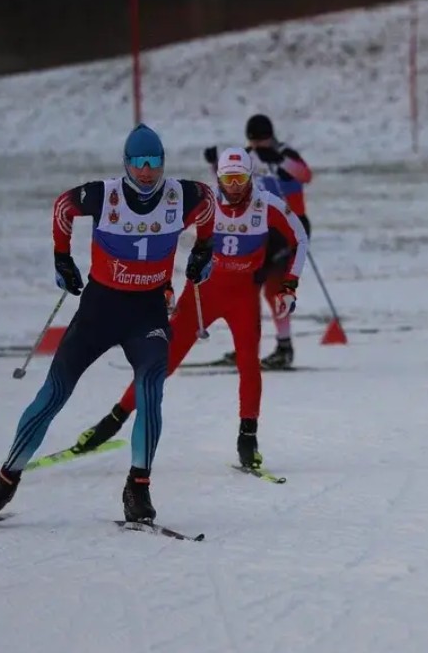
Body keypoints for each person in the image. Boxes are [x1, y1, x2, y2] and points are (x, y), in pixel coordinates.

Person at [0, 123, 215, 525]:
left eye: (154, 163)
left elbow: (208, 202)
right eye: (139, 164)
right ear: (127, 164)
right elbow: (64, 206)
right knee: (53, 393)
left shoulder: (181, 194)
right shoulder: (106, 194)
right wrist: (61, 257)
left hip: (148, 311)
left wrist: (206, 249)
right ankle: (4, 481)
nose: (147, 172)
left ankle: (138, 487)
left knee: (151, 390)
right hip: (100, 308)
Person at [72, 147, 308, 469]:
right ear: (219, 178)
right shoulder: (203, 202)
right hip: (201, 295)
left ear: (250, 177)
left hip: (243, 298)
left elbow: (300, 238)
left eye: (240, 178)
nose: (235, 186)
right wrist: (164, 284)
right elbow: (163, 240)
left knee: (249, 363)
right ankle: (112, 421)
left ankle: (247, 438)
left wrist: (289, 285)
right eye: (228, 179)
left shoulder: (267, 204)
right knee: (163, 362)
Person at [203, 114, 313, 369]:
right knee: (246, 287)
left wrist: (280, 161)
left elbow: (305, 176)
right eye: (254, 142)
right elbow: (228, 186)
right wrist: (213, 165)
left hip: (288, 229)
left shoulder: (284, 153)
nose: (259, 147)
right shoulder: (247, 156)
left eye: (262, 141)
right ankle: (247, 345)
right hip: (259, 229)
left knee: (274, 287)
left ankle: (283, 348)